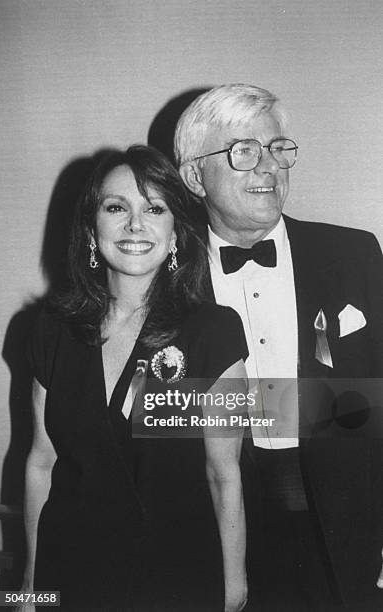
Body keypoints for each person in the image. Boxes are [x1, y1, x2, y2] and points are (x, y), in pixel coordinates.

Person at [174, 83, 383, 610]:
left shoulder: (354, 253)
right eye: (243, 151)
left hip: (345, 528)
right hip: (216, 527)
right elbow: (156, 412)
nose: (269, 167)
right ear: (195, 175)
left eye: (278, 149)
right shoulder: (165, 279)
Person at [20, 145, 249, 612]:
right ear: (91, 228)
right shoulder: (49, 329)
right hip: (70, 574)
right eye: (116, 207)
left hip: (176, 575)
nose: (135, 225)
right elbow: (41, 465)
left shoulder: (215, 331)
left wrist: (232, 583)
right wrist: (29, 583)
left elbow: (223, 473)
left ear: (175, 233)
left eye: (154, 208)